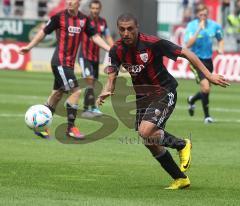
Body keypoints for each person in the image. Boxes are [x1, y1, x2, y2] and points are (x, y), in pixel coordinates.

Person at [97, 13, 229, 189]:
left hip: (164, 90)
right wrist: (106, 91)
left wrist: (209, 74)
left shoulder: (153, 43)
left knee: (145, 131)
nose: (126, 33)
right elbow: (111, 77)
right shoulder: (116, 50)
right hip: (143, 97)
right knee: (150, 141)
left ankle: (182, 144)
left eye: (130, 29)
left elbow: (187, 53)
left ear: (137, 28)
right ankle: (180, 178)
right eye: (122, 29)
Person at [19, 0, 110, 139]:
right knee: (76, 91)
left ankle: (40, 127)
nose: (68, 2)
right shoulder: (58, 17)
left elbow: (95, 36)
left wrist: (110, 49)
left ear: (78, 2)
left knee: (57, 95)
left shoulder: (83, 20)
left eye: (72, 0)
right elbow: (43, 31)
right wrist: (29, 46)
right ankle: (71, 128)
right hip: (59, 63)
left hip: (68, 65)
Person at [184, 4, 224, 123]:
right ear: (197, 15)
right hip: (195, 60)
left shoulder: (214, 26)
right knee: (206, 87)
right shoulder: (191, 26)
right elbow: (188, 44)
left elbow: (220, 38)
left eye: (205, 14)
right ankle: (207, 117)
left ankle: (192, 100)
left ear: (208, 14)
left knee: (206, 90)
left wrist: (221, 48)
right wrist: (198, 30)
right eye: (201, 14)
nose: (203, 17)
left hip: (208, 61)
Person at [78, 0, 114, 117]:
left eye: (97, 8)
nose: (95, 11)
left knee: (93, 83)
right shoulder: (85, 21)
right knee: (89, 80)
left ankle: (88, 108)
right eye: (93, 8)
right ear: (90, 9)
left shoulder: (103, 22)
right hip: (84, 56)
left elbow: (108, 37)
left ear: (100, 9)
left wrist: (114, 49)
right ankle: (90, 108)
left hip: (95, 58)